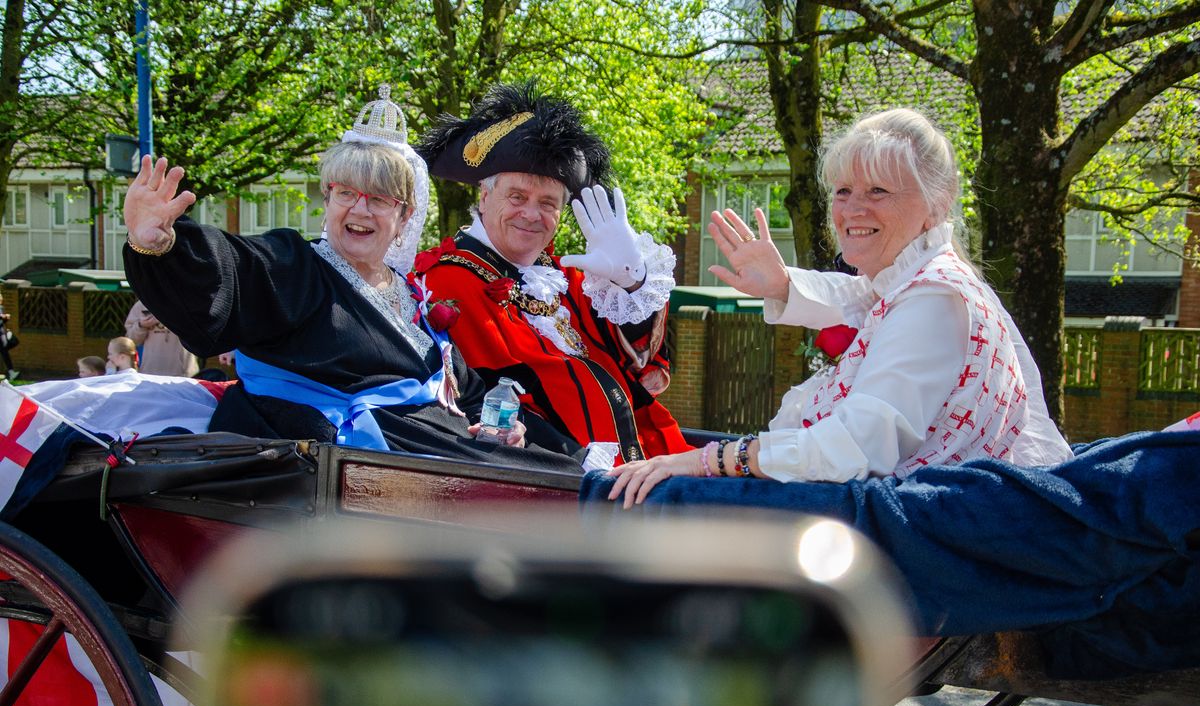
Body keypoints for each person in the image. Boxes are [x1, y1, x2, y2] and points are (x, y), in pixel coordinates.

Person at [607, 108, 1073, 507]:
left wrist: (705, 460)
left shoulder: (935, 297)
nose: (852, 210)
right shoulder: (921, 280)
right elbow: (857, 296)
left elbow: (854, 447)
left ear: (937, 203)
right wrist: (783, 283)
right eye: (843, 191)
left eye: (878, 191)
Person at [121, 85, 582, 472]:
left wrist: (504, 424)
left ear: (403, 217)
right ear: (328, 200)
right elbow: (231, 266)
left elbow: (467, 391)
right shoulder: (294, 265)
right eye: (346, 193)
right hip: (329, 463)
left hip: (432, 450)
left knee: (565, 471)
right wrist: (161, 244)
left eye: (378, 200)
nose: (360, 209)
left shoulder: (412, 296)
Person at [414, 82, 690, 466]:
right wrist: (578, 463)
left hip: (647, 461)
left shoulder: (566, 278)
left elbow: (639, 362)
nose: (532, 214)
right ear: (484, 196)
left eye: (548, 203)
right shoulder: (445, 281)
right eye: (517, 197)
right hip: (560, 478)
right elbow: (478, 400)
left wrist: (631, 282)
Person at [124, 299, 200, 377]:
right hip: (150, 374)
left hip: (184, 374)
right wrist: (141, 325)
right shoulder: (143, 302)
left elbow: (201, 335)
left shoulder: (189, 300)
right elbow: (131, 341)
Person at [0, 297, 17, 381]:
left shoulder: (1, 308)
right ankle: (11, 372)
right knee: (4, 351)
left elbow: (2, 322)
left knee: (4, 351)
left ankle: (11, 372)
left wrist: (6, 318)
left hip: (1, 332)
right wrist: (3, 316)